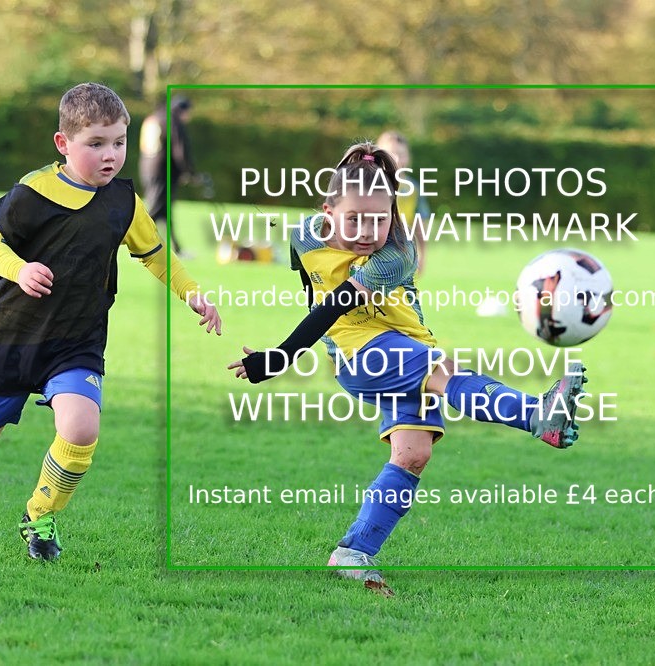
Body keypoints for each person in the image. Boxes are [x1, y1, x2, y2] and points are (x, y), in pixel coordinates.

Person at [228, 141, 587, 595]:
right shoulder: (304, 234)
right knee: (443, 372)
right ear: (328, 211)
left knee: (413, 454)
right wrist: (285, 354)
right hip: (363, 355)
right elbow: (317, 294)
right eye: (354, 217)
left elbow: (337, 300)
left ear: (393, 215)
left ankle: (353, 552)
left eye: (379, 218)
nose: (366, 229)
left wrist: (281, 355)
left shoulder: (397, 253)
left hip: (401, 346)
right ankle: (536, 415)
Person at [0, 82, 222, 561]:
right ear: (63, 144)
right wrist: (20, 269)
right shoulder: (33, 191)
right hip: (12, 336)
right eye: (96, 144)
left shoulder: (124, 202)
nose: (111, 155)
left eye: (119, 143)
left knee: (81, 427)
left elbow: (155, 255)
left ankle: (40, 518)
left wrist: (193, 294)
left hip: (76, 340)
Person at [139, 95, 194, 257]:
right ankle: (135, 245)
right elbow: (179, 149)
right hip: (163, 171)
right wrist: (188, 171)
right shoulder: (172, 121)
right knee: (155, 210)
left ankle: (177, 248)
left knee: (165, 211)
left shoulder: (155, 117)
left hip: (148, 169)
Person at [376, 130, 430, 274]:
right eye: (391, 153)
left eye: (401, 154)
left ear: (408, 158)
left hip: (401, 252)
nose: (397, 159)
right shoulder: (369, 184)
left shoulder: (413, 188)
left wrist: (422, 256)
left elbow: (420, 226)